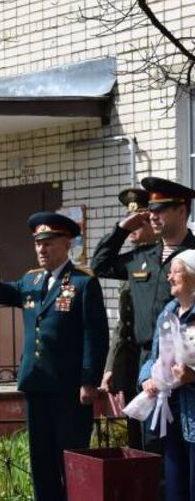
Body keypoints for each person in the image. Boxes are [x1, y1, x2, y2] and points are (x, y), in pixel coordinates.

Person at [0, 213, 108, 501]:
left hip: (68, 386)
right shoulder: (32, 281)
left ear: (68, 244)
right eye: (38, 243)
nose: (42, 249)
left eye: (48, 242)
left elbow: (96, 335)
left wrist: (89, 380)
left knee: (69, 454)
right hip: (36, 382)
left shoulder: (82, 282)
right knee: (42, 455)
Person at [93, 179, 195, 449]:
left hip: (185, 364)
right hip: (146, 362)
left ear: (182, 210)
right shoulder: (143, 257)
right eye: (151, 210)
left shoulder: (193, 256)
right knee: (149, 446)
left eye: (160, 209)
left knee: (183, 447)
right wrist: (121, 229)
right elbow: (100, 265)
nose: (152, 216)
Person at [139, 250, 195, 501]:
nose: (170, 276)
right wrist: (147, 377)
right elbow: (154, 355)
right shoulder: (169, 311)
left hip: (193, 412)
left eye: (176, 271)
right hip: (171, 410)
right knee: (174, 481)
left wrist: (193, 377)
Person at [98, 188, 158, 450]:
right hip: (133, 363)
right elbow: (123, 324)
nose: (133, 228)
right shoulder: (135, 259)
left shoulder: (170, 257)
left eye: (138, 221)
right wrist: (113, 365)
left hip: (160, 363)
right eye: (129, 221)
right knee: (138, 439)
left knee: (160, 442)